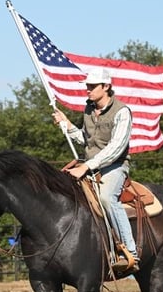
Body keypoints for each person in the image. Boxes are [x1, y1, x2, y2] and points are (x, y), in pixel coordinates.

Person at [52, 67, 139, 273]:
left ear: (106, 87)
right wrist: (67, 125)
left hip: (114, 166)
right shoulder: (89, 110)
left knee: (108, 198)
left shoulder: (122, 112)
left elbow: (116, 147)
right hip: (89, 166)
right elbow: (87, 140)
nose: (88, 90)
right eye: (87, 86)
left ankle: (130, 253)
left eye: (92, 86)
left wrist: (86, 166)